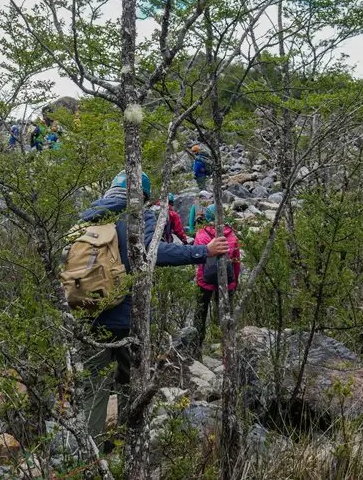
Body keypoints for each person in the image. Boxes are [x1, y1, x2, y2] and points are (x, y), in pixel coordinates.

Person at [75, 171, 229, 445]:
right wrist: (203, 251)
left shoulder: (88, 217)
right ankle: (126, 444)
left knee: (94, 388)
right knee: (130, 382)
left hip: (87, 313)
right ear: (143, 195)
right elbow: (154, 252)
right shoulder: (138, 216)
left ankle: (91, 455)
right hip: (126, 319)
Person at [192, 204, 240, 357]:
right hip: (226, 282)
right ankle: (225, 345)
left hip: (204, 281)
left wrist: (198, 277)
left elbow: (197, 259)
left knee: (200, 312)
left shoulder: (200, 235)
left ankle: (197, 345)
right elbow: (236, 262)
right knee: (225, 313)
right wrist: (235, 282)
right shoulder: (232, 236)